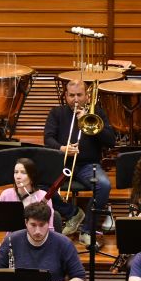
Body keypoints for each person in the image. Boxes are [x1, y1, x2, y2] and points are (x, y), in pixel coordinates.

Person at [44, 78, 115, 244]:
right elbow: (48, 139)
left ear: (87, 96)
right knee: (38, 184)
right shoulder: (56, 112)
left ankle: (87, 231)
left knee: (103, 185)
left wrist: (90, 124)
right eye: (71, 95)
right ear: (65, 96)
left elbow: (111, 141)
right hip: (62, 163)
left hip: (87, 165)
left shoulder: (97, 112)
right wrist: (63, 149)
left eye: (79, 95)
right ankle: (73, 213)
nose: (75, 99)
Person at [0, 157, 54, 265]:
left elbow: (50, 229)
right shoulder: (6, 194)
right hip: (11, 245)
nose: (18, 176)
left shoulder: (43, 196)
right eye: (16, 172)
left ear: (32, 176)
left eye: (23, 173)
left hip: (36, 245)